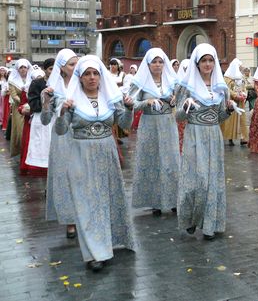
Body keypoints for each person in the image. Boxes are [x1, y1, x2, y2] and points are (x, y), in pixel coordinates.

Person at [55, 55, 135, 272]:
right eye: (87, 74)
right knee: (87, 203)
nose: (92, 78)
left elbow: (125, 125)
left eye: (95, 73)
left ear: (101, 76)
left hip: (107, 155)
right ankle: (94, 253)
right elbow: (61, 130)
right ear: (79, 78)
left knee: (107, 200)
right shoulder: (71, 101)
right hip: (81, 156)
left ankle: (109, 242)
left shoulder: (111, 97)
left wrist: (129, 109)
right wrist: (62, 112)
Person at [176, 43, 234, 240]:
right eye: (204, 61)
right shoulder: (187, 86)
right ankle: (191, 218)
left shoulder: (221, 87)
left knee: (212, 182)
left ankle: (209, 224)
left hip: (214, 137)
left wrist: (229, 110)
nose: (208, 64)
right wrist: (186, 107)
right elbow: (178, 117)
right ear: (197, 63)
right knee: (196, 181)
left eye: (211, 60)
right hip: (194, 136)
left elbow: (219, 118)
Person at [129, 48, 180, 216]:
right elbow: (131, 103)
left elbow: (180, 101)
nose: (158, 65)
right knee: (152, 161)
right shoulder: (140, 82)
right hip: (149, 124)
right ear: (148, 64)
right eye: (154, 62)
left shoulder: (172, 80)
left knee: (171, 161)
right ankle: (155, 201)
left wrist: (174, 101)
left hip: (168, 123)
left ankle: (174, 200)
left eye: (160, 62)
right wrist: (147, 102)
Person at [41, 48, 79, 239]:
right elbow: (46, 120)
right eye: (72, 64)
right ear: (62, 68)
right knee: (65, 177)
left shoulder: (84, 83)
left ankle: (84, 217)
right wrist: (46, 103)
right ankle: (70, 220)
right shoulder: (52, 89)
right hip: (62, 138)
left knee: (82, 176)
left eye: (76, 63)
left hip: (81, 135)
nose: (76, 67)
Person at [21, 60, 55, 176]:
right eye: (50, 68)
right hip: (42, 118)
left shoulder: (61, 82)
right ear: (45, 69)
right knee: (43, 144)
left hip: (56, 119)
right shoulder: (36, 83)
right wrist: (47, 102)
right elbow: (33, 104)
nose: (53, 71)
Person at [8, 59, 33, 157]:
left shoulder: (32, 79)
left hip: (31, 108)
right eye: (21, 68)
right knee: (20, 130)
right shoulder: (12, 81)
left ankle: (30, 150)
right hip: (18, 108)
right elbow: (14, 96)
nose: (23, 69)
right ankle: (21, 150)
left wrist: (31, 103)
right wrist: (24, 103)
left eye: (25, 67)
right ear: (17, 69)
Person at [220, 58, 249, 146]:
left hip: (240, 102)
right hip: (231, 101)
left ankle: (243, 137)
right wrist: (235, 95)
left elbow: (244, 86)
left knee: (241, 119)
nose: (241, 68)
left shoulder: (241, 77)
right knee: (230, 120)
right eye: (239, 67)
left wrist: (244, 94)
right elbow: (227, 89)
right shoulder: (227, 78)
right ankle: (230, 137)